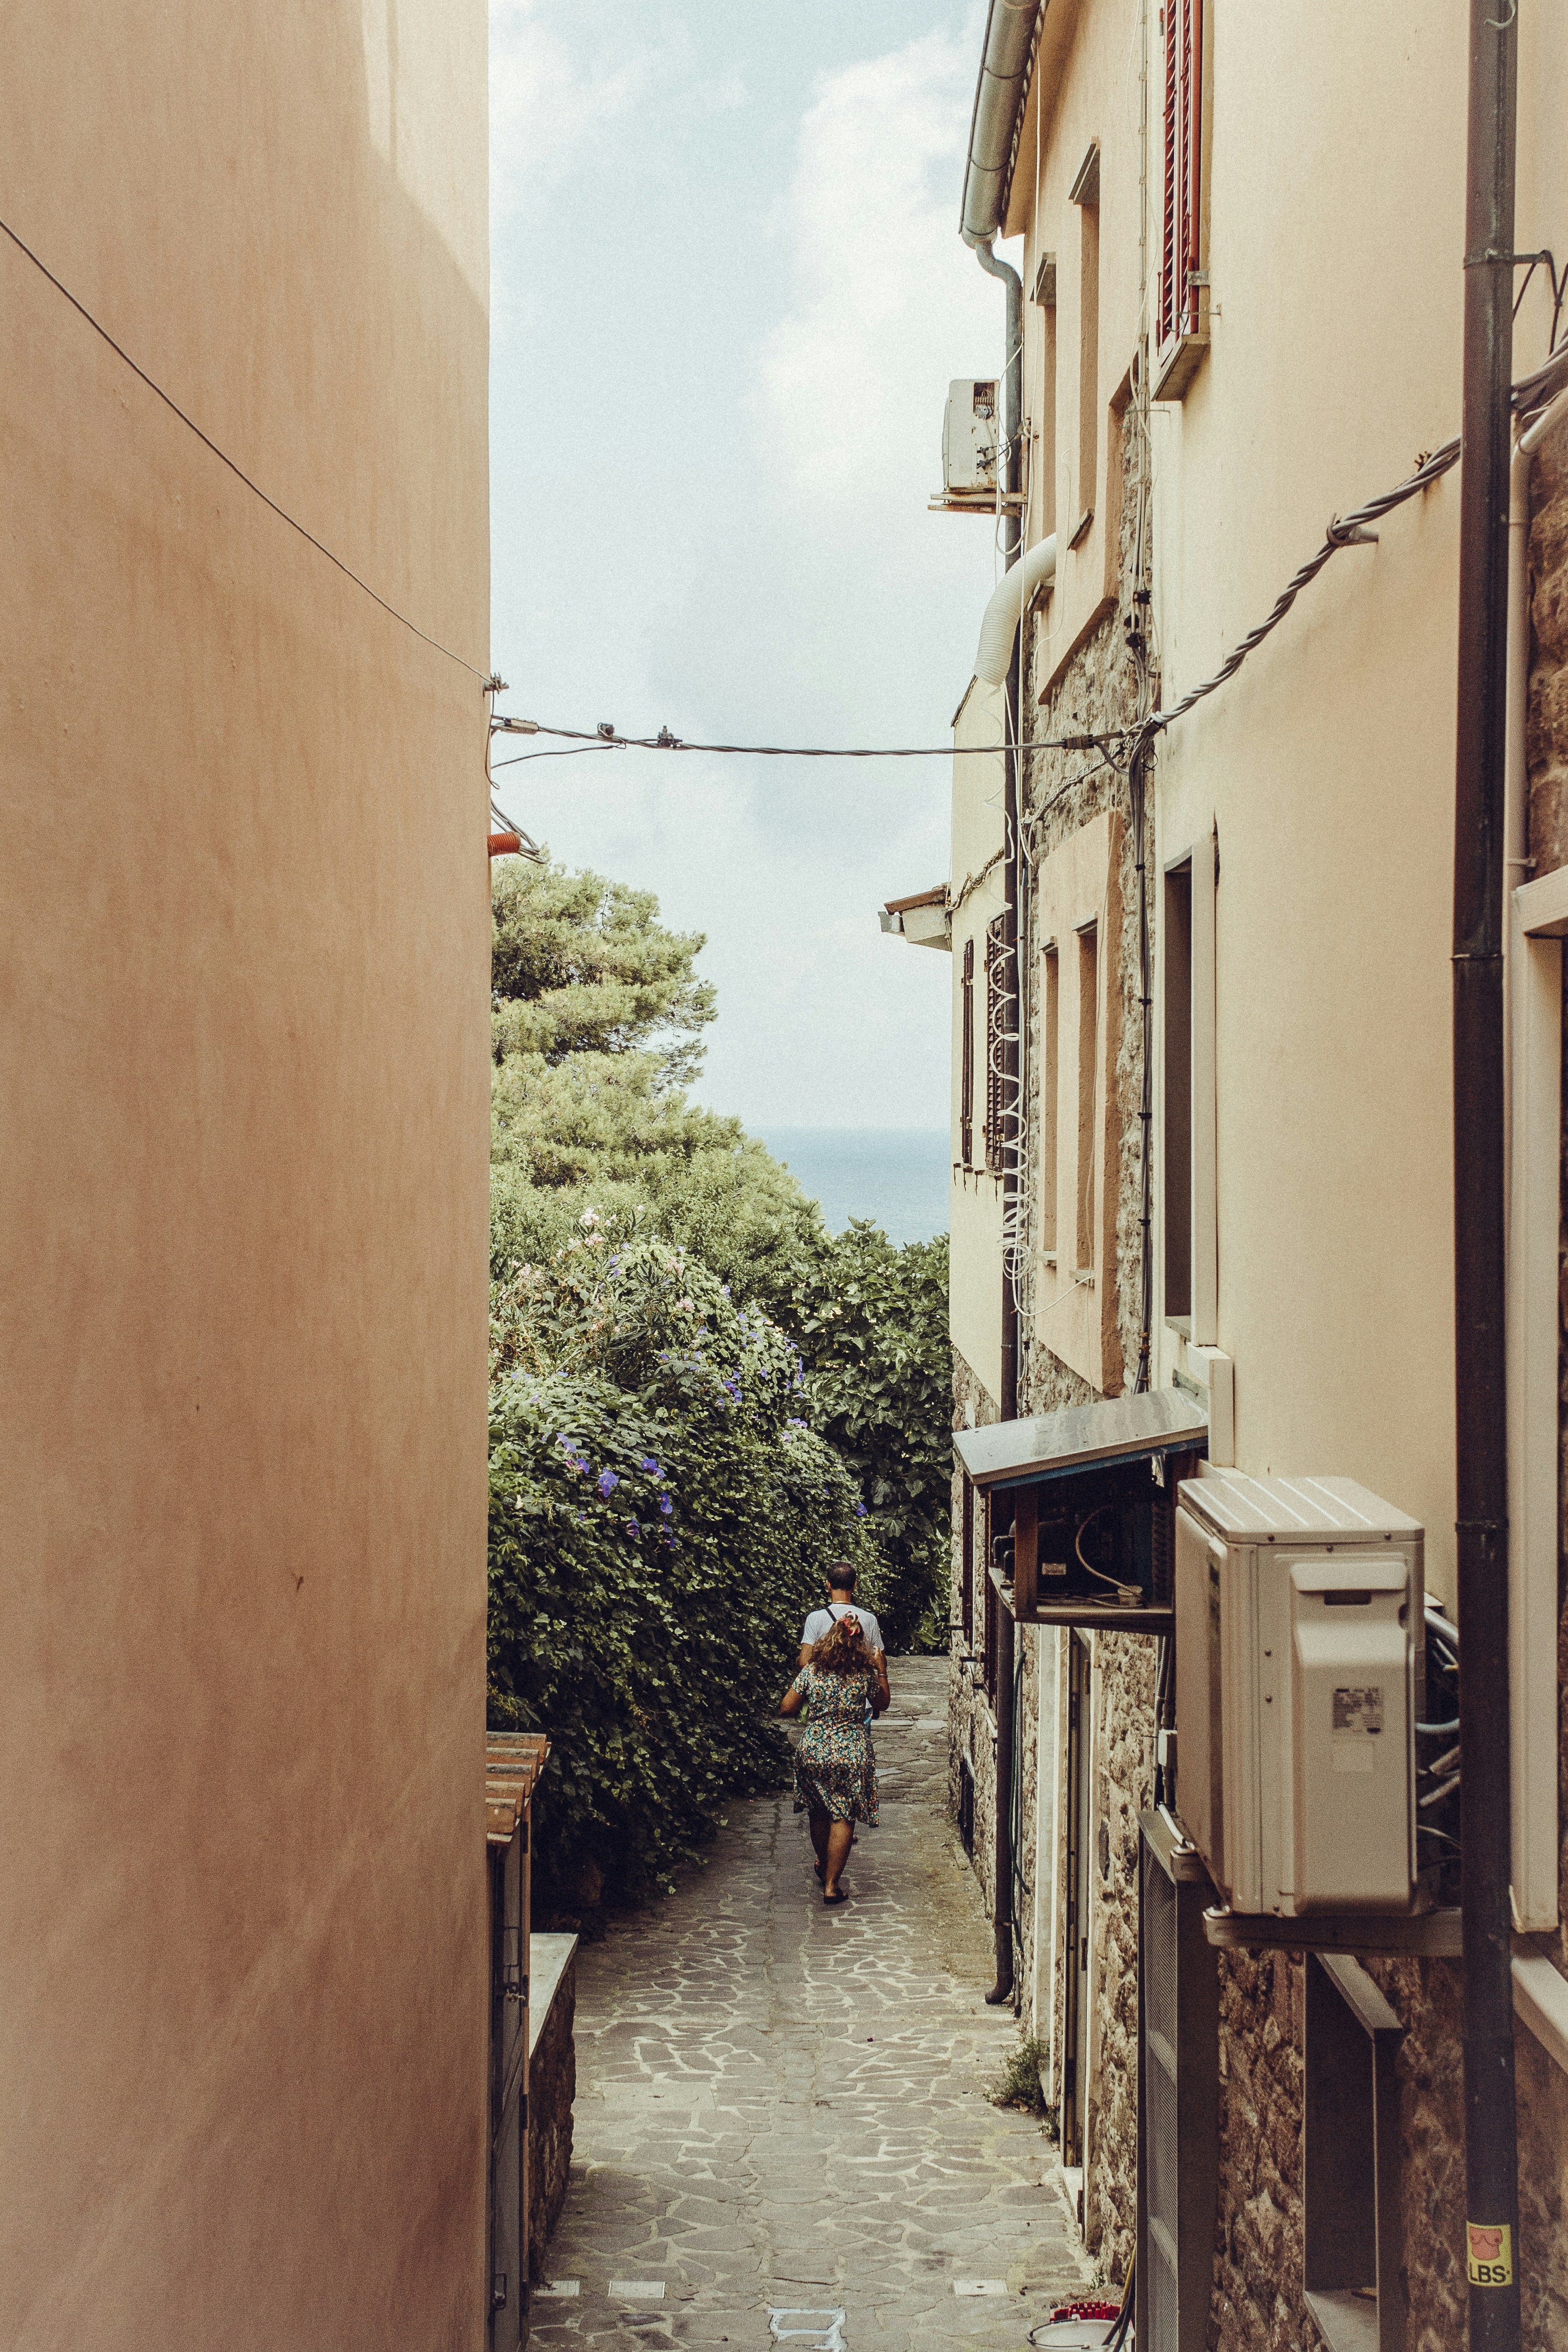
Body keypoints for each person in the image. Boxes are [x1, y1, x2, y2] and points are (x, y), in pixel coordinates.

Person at [780, 1613, 888, 1905]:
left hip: (814, 1749)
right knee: (843, 1814)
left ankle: (821, 1860)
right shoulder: (864, 1674)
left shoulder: (813, 1671)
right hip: (851, 1751)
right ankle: (831, 1885)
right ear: (859, 1645)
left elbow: (787, 1707)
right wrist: (882, 1671)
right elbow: (882, 1704)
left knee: (817, 1809)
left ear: (827, 1642)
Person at [799, 1561, 885, 1676]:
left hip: (825, 1687)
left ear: (828, 1585)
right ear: (855, 1585)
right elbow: (881, 1661)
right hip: (859, 1689)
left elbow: (804, 1661)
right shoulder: (870, 1619)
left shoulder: (815, 1618)